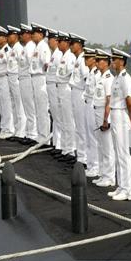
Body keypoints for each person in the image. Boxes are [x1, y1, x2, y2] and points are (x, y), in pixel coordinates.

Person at [107, 47, 131, 201]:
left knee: (124, 153)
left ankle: (127, 189)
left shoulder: (126, 79)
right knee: (118, 152)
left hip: (121, 114)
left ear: (122, 61)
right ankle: (121, 185)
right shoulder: (117, 78)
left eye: (115, 59)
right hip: (114, 113)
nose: (112, 62)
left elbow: (129, 101)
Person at [91, 49, 116, 189]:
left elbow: (109, 101)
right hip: (97, 111)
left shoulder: (108, 79)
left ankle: (110, 177)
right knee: (101, 145)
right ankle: (103, 173)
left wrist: (106, 120)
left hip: (103, 113)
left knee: (107, 147)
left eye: (99, 60)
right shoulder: (100, 77)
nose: (96, 62)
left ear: (106, 62)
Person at [55, 32, 77, 163]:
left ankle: (70, 149)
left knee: (68, 120)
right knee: (63, 119)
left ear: (66, 43)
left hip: (66, 88)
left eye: (60, 41)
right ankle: (65, 148)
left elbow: (70, 73)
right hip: (60, 88)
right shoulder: (63, 56)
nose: (57, 43)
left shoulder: (70, 57)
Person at [69, 35, 89, 170]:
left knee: (81, 127)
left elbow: (87, 79)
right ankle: (81, 155)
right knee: (78, 126)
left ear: (80, 45)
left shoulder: (82, 60)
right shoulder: (78, 59)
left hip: (80, 93)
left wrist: (86, 96)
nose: (71, 46)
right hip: (75, 92)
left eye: (73, 44)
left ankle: (83, 157)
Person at [30, 24, 51, 145]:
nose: (33, 35)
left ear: (41, 35)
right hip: (35, 78)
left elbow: (47, 64)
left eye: (35, 33)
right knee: (38, 108)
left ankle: (45, 137)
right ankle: (40, 135)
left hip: (41, 78)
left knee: (43, 109)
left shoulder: (43, 46)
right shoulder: (37, 47)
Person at [17, 24, 37, 144]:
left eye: (23, 34)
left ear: (28, 35)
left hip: (28, 79)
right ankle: (30, 133)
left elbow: (31, 65)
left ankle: (33, 134)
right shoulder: (26, 47)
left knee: (30, 108)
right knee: (27, 108)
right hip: (23, 79)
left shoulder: (30, 48)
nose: (21, 36)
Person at [0, 26, 14, 139]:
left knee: (7, 105)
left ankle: (9, 129)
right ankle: (4, 129)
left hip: (5, 79)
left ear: (5, 38)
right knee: (2, 105)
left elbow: (11, 66)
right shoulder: (1, 51)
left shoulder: (7, 51)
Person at [5, 25, 26, 139]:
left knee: (19, 104)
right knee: (14, 105)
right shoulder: (13, 49)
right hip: (11, 78)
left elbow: (21, 65)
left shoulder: (19, 49)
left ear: (16, 36)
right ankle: (17, 130)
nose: (8, 37)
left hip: (17, 78)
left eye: (10, 35)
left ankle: (22, 131)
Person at [45, 30, 62, 153]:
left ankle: (60, 144)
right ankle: (56, 143)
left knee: (58, 117)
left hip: (56, 87)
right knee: (55, 116)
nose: (48, 41)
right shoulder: (53, 54)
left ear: (55, 40)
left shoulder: (59, 55)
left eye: (50, 39)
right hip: (51, 86)